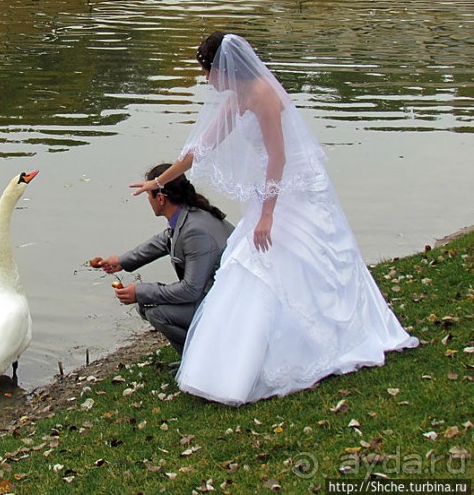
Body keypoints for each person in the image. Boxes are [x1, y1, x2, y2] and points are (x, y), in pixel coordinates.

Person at [132, 32, 419, 406]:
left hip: (296, 188)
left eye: (207, 72)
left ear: (222, 68)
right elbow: (199, 149)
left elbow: (278, 159)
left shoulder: (265, 95)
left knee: (293, 260)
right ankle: (232, 364)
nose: (207, 80)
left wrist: (266, 215)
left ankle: (316, 345)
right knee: (252, 265)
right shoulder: (237, 99)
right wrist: (158, 180)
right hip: (269, 188)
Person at [96, 163, 234, 356]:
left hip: (225, 308)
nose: (148, 201)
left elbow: (190, 290)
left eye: (148, 196)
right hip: (215, 298)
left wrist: (141, 290)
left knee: (155, 311)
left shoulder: (196, 231)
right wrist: (121, 261)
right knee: (146, 304)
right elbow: (162, 241)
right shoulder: (190, 215)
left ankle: (201, 360)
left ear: (160, 198)